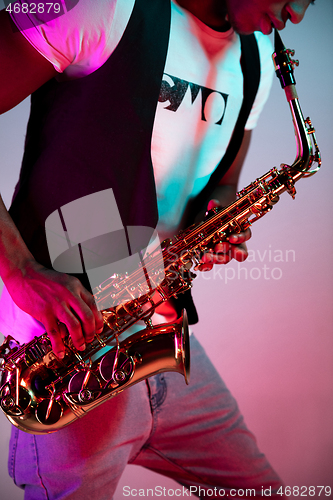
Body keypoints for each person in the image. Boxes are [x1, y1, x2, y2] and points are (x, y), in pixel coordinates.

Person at [0, 0, 312, 498]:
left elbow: (224, 182)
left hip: (158, 321)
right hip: (71, 340)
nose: (297, 14)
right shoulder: (105, 8)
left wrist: (218, 218)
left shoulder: (255, 63)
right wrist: (18, 270)